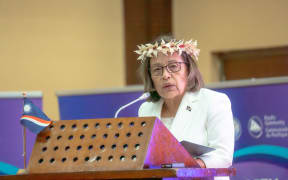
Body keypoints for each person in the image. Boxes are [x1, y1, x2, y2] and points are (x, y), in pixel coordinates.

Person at [136, 35, 234, 173]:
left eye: (173, 66)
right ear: (150, 77)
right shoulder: (146, 109)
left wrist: (189, 166)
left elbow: (223, 155)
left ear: (188, 70)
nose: (165, 75)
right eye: (157, 69)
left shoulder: (213, 101)